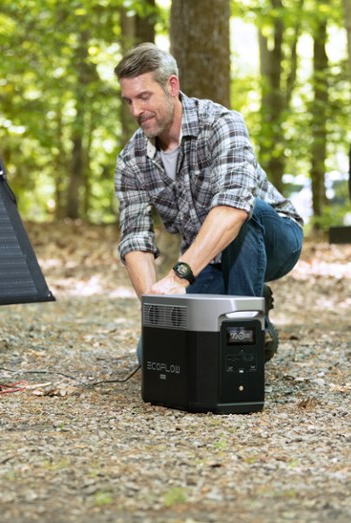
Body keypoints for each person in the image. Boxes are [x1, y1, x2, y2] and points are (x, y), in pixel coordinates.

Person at [113, 43, 303, 363]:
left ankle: (243, 342)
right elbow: (136, 241)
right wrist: (156, 309)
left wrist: (178, 277)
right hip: (209, 257)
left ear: (172, 86)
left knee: (246, 209)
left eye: (144, 97)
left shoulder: (222, 124)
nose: (135, 111)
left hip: (275, 238)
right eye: (129, 101)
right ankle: (252, 301)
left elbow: (233, 209)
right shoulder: (131, 161)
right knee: (155, 353)